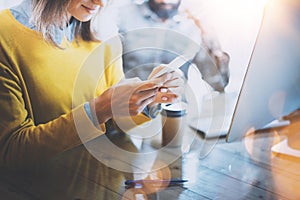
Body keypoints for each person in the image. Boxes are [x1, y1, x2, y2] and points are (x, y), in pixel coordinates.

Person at [0, 0, 184, 167]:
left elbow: (114, 125)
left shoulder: (104, 33)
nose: (101, 3)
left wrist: (147, 99)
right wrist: (99, 110)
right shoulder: (5, 37)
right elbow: (11, 151)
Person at [116, 0, 230, 92]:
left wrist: (210, 36)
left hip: (176, 111)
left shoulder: (193, 27)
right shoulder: (122, 17)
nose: (166, 1)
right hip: (127, 107)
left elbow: (219, 84)